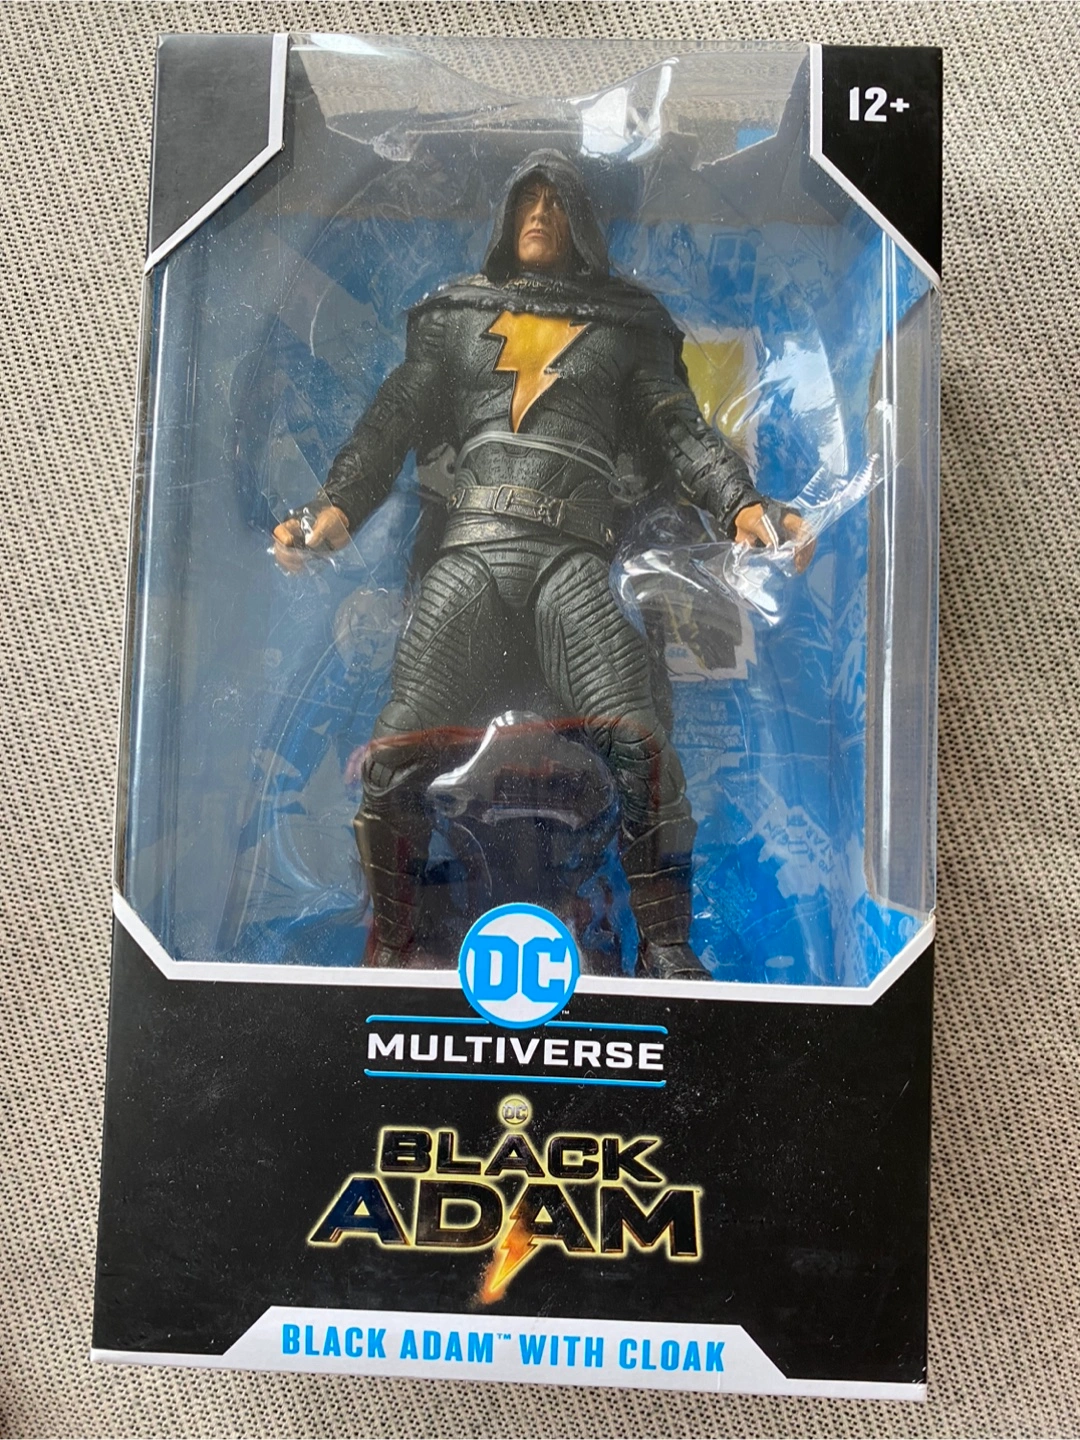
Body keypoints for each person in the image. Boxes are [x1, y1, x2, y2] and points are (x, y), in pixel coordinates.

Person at [274, 151, 813, 979]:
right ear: (504, 216)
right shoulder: (458, 313)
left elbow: (678, 431)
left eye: (555, 202)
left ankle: (666, 945)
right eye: (525, 198)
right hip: (472, 554)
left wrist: (743, 505)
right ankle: (393, 940)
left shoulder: (625, 326)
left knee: (641, 746)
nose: (537, 213)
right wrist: (333, 509)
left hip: (572, 563)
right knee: (393, 756)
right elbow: (393, 419)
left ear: (583, 223)